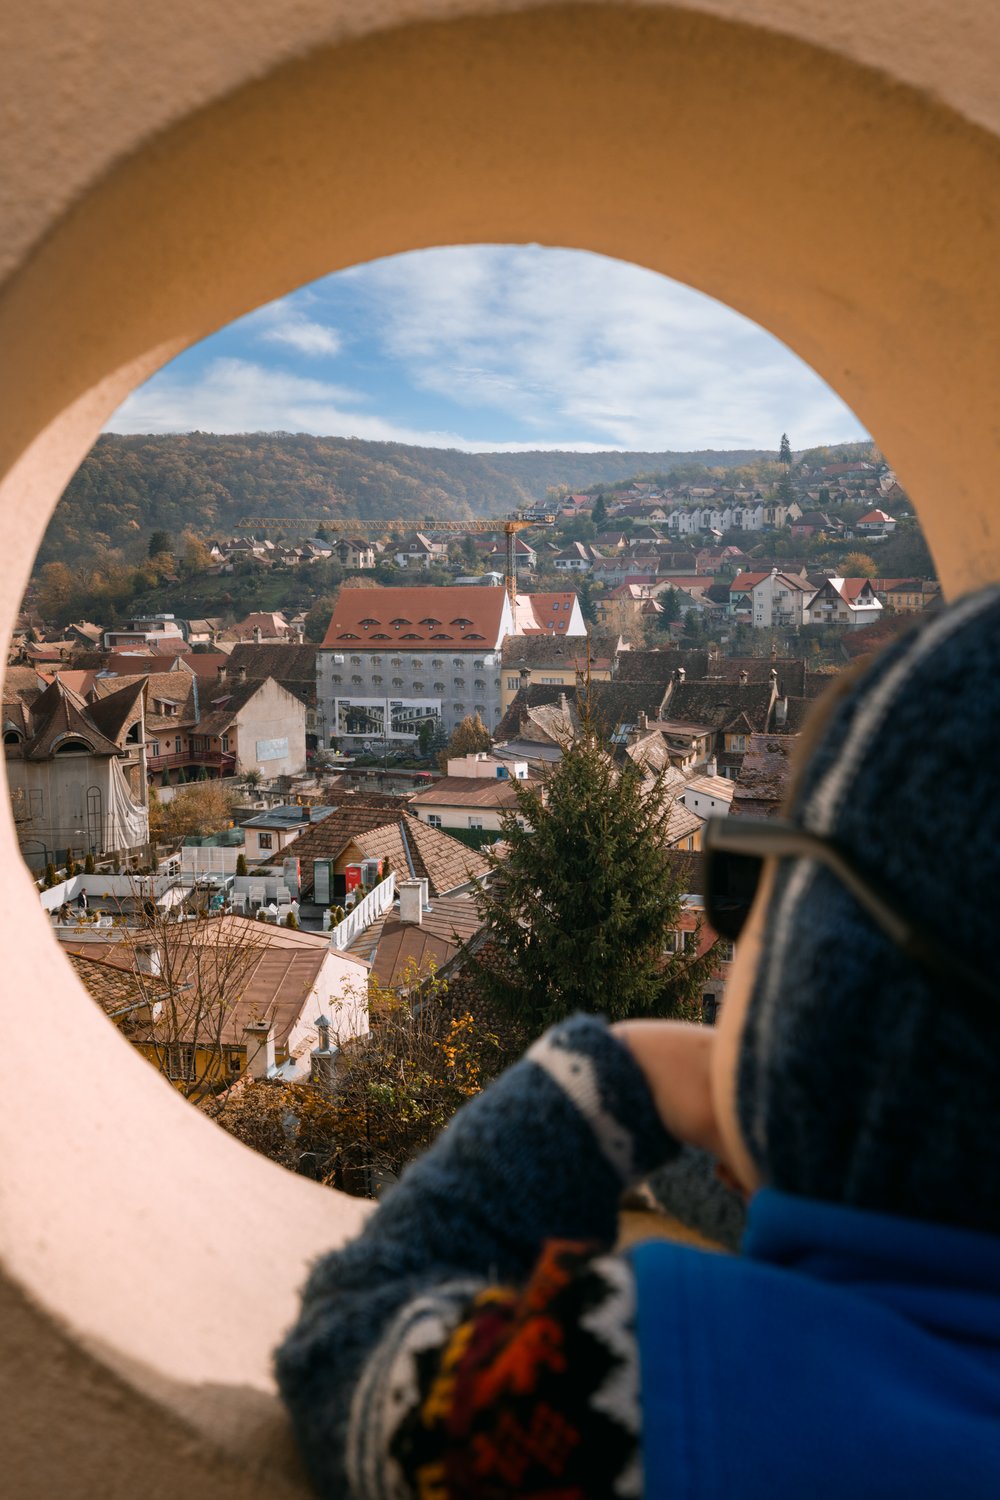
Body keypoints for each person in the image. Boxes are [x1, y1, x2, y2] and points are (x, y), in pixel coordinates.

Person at [276, 587, 1000, 1498]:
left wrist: (603, 1087)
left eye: (748, 893)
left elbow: (348, 1345)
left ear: (830, 994)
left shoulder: (663, 1386)